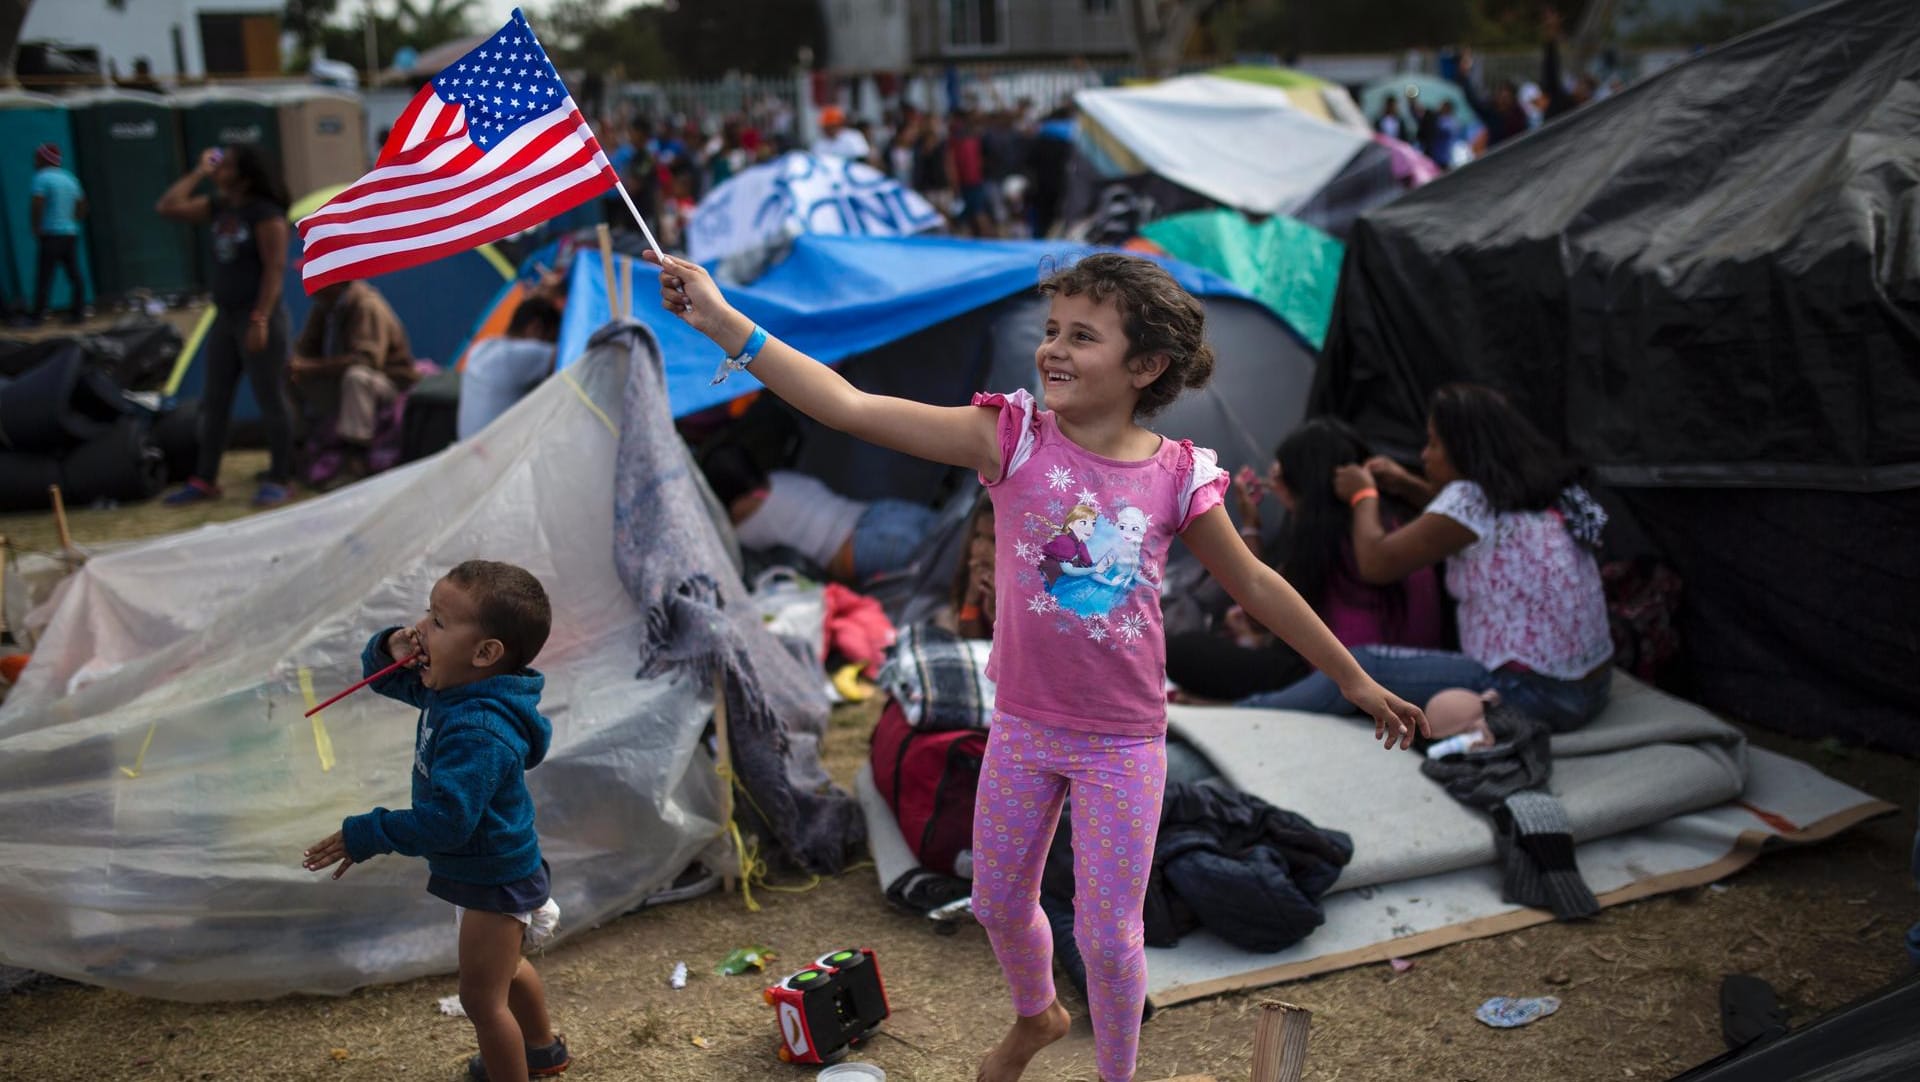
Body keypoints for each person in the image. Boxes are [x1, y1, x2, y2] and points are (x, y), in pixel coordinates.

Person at [647, 248, 1424, 1082]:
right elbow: (848, 406)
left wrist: (1353, 678)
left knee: (1107, 932)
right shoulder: (1011, 437)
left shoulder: (1178, 477)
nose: (1052, 348)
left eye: (1082, 336)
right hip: (1020, 725)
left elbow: (1260, 585)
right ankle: (1038, 1014)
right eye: (1051, 330)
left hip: (1123, 743)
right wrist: (725, 320)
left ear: (1147, 366)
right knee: (997, 902)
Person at [301, 560, 569, 1082]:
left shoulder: (478, 728)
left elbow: (447, 822)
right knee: (508, 971)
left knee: (481, 999)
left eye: (439, 622)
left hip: (492, 878)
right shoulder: (458, 689)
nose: (421, 628)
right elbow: (386, 682)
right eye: (427, 612)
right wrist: (389, 651)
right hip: (499, 867)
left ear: (486, 652)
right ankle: (541, 1050)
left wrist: (366, 833)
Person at [1246, 383, 1615, 733]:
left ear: (1464, 450)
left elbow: (1375, 565)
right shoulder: (1538, 490)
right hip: (1592, 690)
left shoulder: (1469, 498)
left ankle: (1243, 717)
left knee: (1362, 667)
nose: (1424, 455)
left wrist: (1364, 496)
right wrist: (1406, 485)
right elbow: (1459, 527)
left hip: (1532, 692)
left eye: (1435, 444)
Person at [1166, 418, 1448, 702]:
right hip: (1418, 667)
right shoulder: (1398, 520)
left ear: (1298, 486)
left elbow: (1257, 617)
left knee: (1180, 650)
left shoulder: (1322, 539)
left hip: (1347, 678)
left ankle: (1222, 704)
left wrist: (1250, 525)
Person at [158, 144, 296, 508]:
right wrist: (199, 172)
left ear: (245, 175)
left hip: (257, 318)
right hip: (224, 318)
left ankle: (280, 477)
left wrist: (260, 319)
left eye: (226, 165)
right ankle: (205, 479)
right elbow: (167, 207)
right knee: (215, 400)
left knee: (271, 399)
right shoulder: (219, 208)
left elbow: (274, 269)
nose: (219, 168)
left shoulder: (266, 214)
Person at [698, 443, 941, 587]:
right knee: (952, 542)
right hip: (879, 513)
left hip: (860, 548)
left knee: (944, 575)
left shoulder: (745, 530)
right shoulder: (782, 478)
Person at [289, 278, 419, 488]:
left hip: (389, 382)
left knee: (356, 377)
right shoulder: (324, 308)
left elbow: (367, 360)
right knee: (292, 377)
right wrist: (296, 365)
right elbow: (305, 348)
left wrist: (311, 367)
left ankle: (355, 459)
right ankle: (298, 448)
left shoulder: (366, 306)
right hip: (340, 381)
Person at [458, 296, 563, 440]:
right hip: (501, 459)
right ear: (536, 328)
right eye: (553, 338)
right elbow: (572, 353)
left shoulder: (481, 348)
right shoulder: (516, 357)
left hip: (469, 453)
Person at [27, 143, 87, 326]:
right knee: (74, 275)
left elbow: (38, 202)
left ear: (44, 159)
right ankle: (78, 314)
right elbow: (83, 204)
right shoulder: (70, 178)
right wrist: (72, 221)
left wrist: (36, 227)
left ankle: (37, 317)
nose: (35, 162)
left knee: (44, 276)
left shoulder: (42, 178)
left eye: (37, 158)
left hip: (51, 234)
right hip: (70, 234)